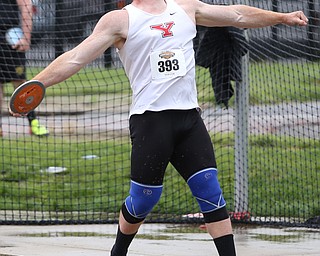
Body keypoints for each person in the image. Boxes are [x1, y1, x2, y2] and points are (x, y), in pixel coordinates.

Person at [12, 0, 308, 255]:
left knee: (210, 192)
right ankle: (119, 251)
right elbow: (75, 57)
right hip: (150, 120)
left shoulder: (186, 7)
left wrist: (281, 17)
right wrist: (35, 84)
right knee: (143, 200)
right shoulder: (120, 19)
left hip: (189, 119)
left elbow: (237, 15)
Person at [0, 0, 49, 136]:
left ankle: (33, 123)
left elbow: (26, 5)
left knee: (20, 83)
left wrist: (26, 38)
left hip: (11, 40)